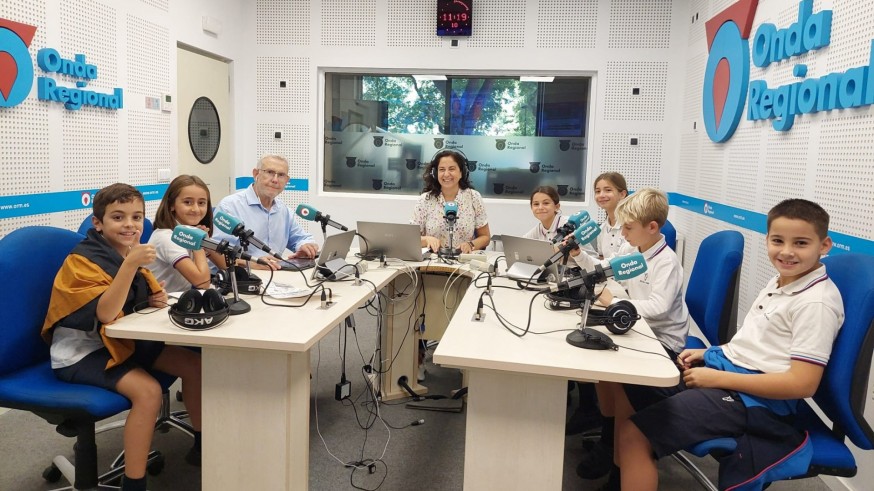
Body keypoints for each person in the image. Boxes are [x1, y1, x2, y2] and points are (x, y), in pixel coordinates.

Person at [613, 198, 843, 491]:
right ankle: (616, 474)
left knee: (634, 435)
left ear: (824, 245)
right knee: (628, 380)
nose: (786, 251)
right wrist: (710, 353)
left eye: (800, 243)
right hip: (730, 376)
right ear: (767, 240)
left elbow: (803, 384)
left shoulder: (815, 303)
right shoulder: (782, 280)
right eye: (777, 241)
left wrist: (717, 378)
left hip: (755, 402)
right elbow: (756, 347)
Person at [42, 184, 203, 491]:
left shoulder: (127, 252)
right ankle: (134, 483)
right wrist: (130, 265)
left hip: (120, 342)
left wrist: (152, 297)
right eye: (118, 217)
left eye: (137, 217)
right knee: (148, 392)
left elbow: (139, 295)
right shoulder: (82, 261)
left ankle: (201, 444)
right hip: (82, 353)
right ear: (98, 223)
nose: (130, 225)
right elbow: (105, 313)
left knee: (194, 365)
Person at [573, 188, 689, 485]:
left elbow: (659, 308)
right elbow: (602, 269)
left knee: (623, 384)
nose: (622, 234)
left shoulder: (666, 262)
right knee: (602, 369)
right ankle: (608, 438)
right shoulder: (633, 250)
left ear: (652, 227)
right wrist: (578, 255)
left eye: (628, 228)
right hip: (638, 328)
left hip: (662, 342)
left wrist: (615, 302)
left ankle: (619, 464)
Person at [213, 154, 318, 270]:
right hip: (239, 276)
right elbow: (216, 252)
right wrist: (250, 263)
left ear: (287, 180)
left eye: (281, 175)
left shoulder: (284, 210)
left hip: (274, 275)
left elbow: (301, 238)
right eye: (270, 172)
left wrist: (305, 246)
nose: (275, 180)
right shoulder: (230, 206)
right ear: (256, 174)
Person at [148, 175, 221, 292]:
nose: (196, 209)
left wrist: (206, 242)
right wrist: (198, 244)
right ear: (171, 205)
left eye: (201, 203)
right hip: (163, 301)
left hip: (181, 298)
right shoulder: (166, 237)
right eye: (187, 202)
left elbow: (226, 265)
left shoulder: (192, 230)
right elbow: (202, 282)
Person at [412, 149, 491, 254]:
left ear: (462, 172)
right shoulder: (424, 200)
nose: (446, 174)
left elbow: (485, 237)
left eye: (452, 169)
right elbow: (411, 238)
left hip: (464, 260)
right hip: (432, 260)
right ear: (435, 173)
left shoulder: (474, 197)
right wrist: (426, 240)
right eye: (442, 169)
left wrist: (471, 244)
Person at [592, 172, 629, 259]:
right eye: (598, 191)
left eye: (608, 190)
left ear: (622, 194)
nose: (601, 195)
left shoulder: (633, 225)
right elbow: (602, 259)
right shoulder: (601, 229)